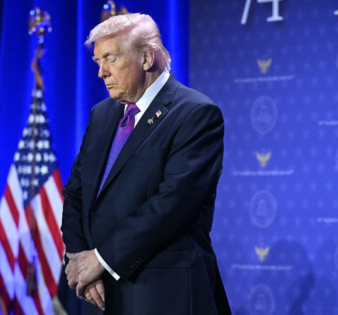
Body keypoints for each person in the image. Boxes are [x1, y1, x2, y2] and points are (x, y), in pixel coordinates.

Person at [61, 13, 231, 315]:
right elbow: (76, 191)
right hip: (98, 292)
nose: (101, 72)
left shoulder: (196, 114)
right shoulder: (102, 114)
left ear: (146, 58)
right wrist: (79, 261)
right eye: (98, 61)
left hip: (163, 292)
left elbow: (173, 204)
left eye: (110, 59)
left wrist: (101, 259)